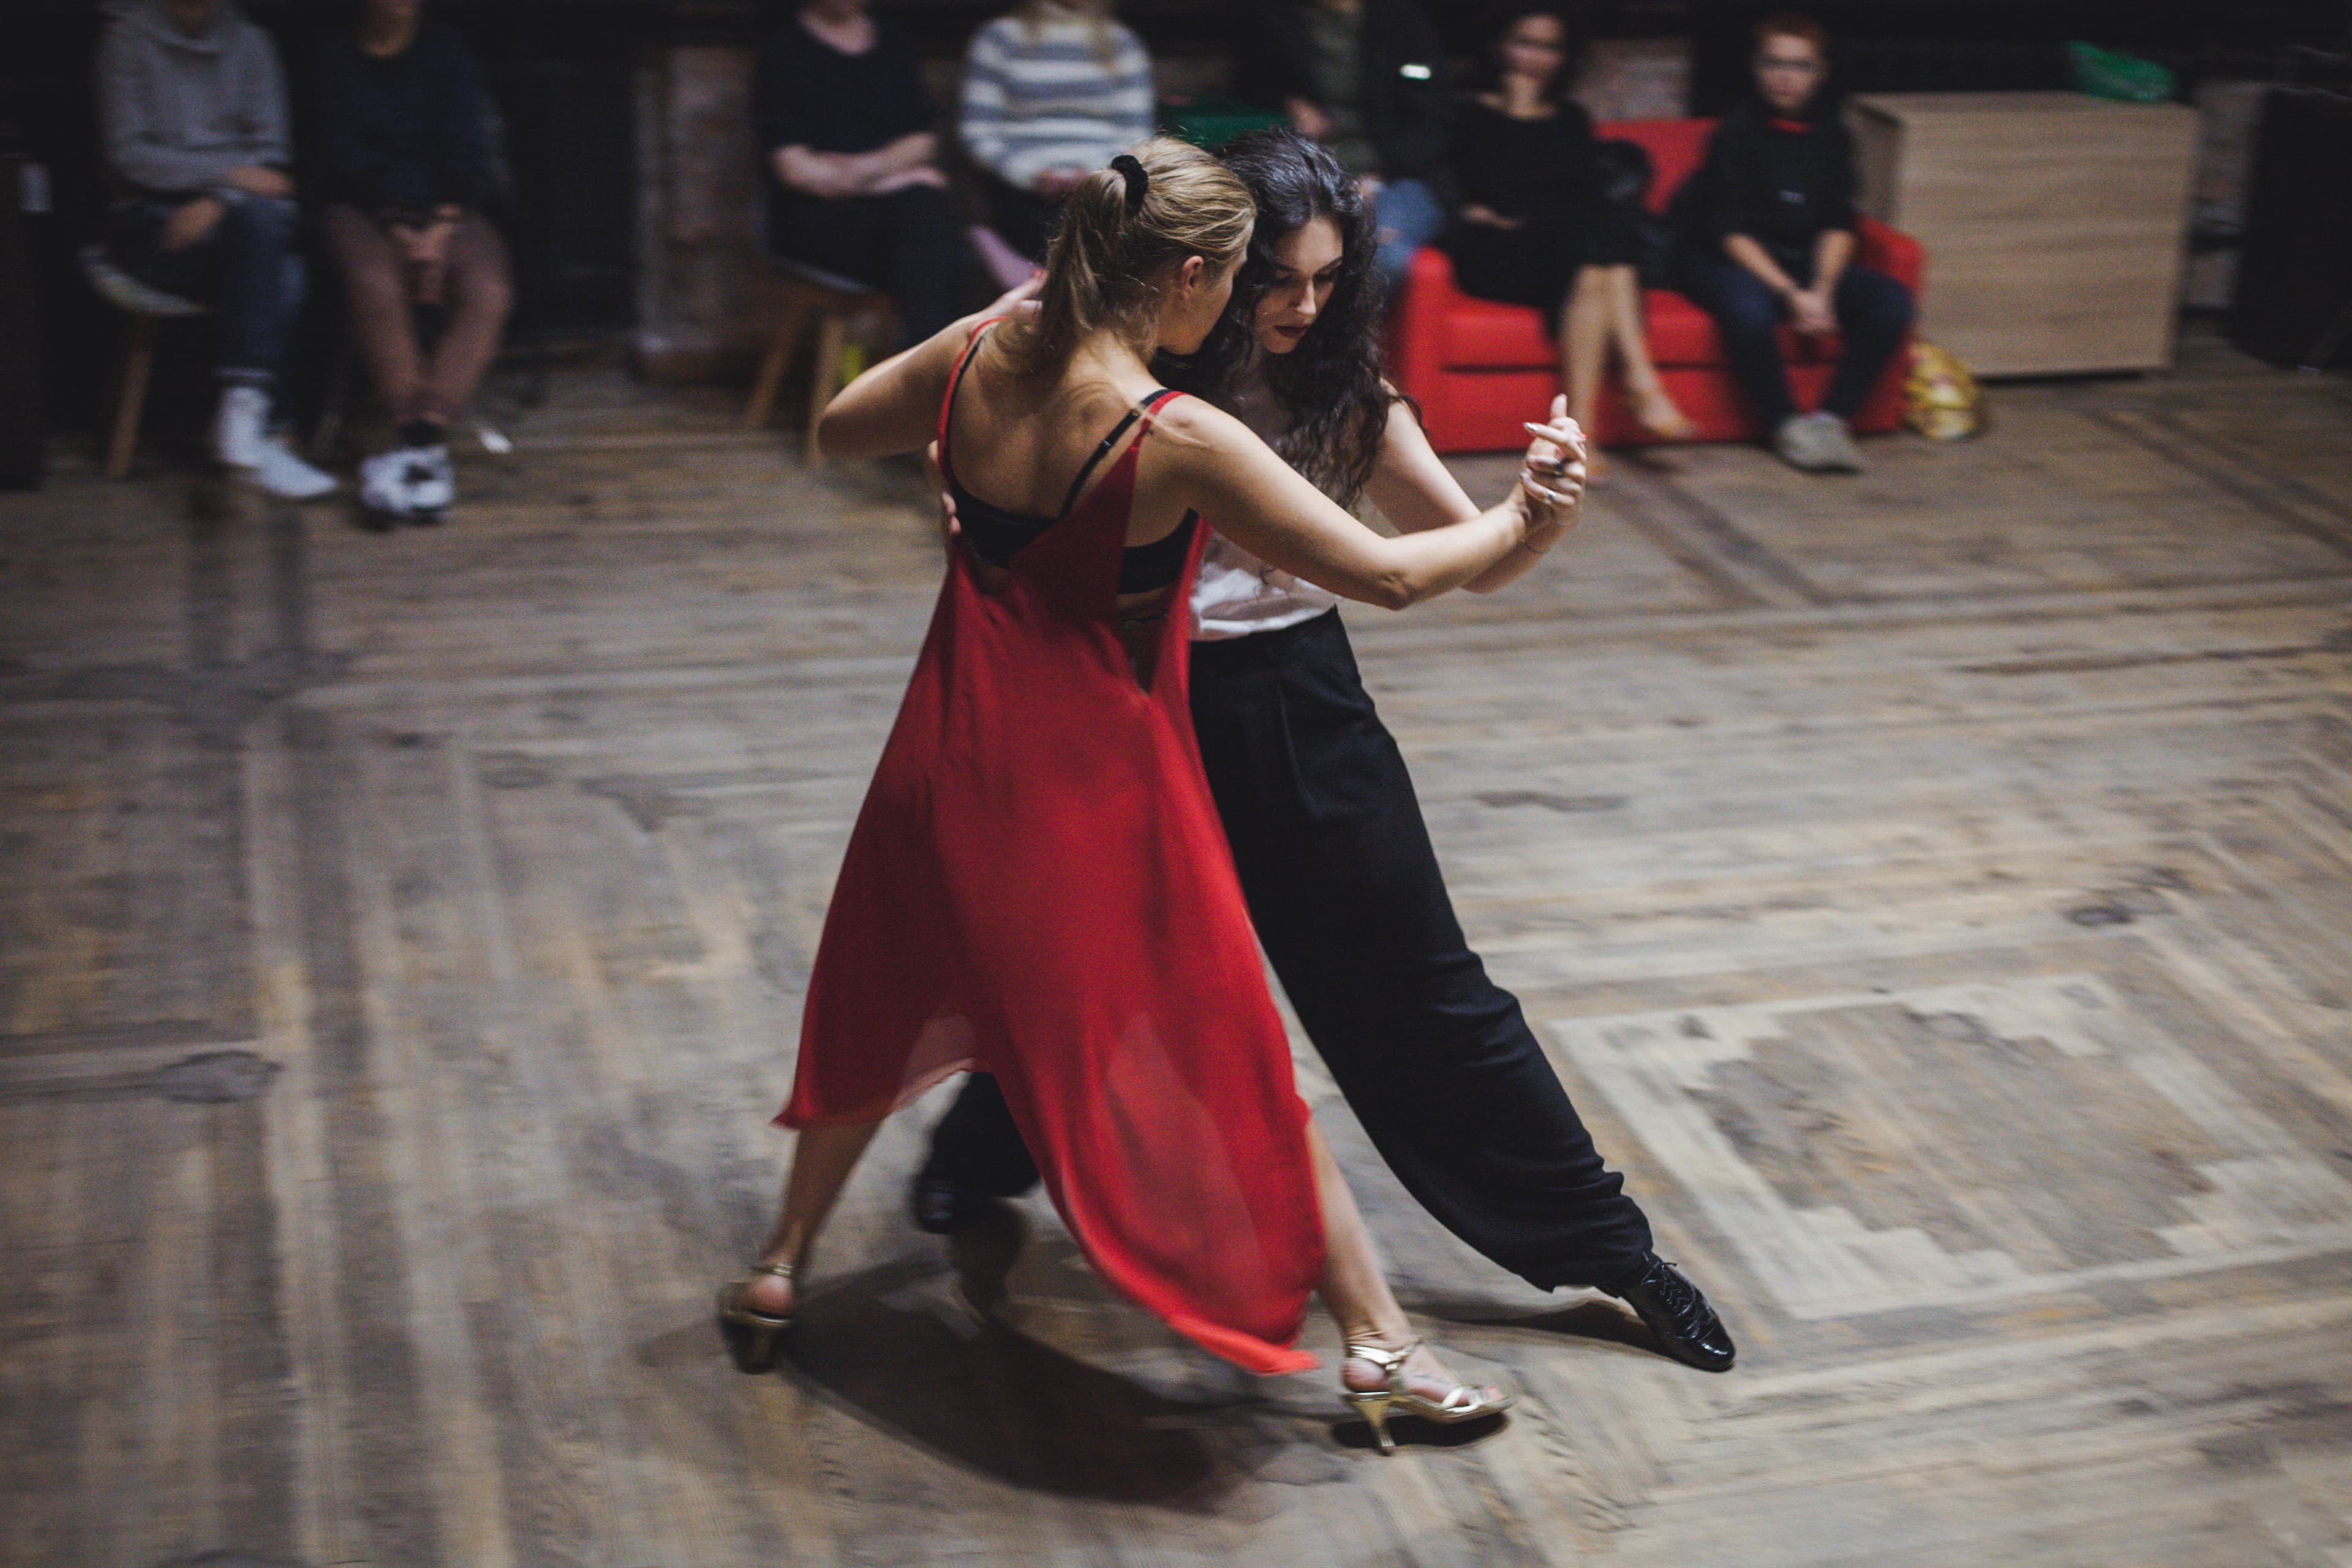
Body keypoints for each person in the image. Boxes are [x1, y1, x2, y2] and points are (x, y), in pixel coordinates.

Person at [716, 137, 1584, 1449]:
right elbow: (1394, 575)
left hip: (946, 749)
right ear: (1185, 277)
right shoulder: (1173, 435)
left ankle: (779, 1265)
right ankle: (1378, 1345)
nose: (1240, 309)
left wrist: (975, 378)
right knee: (1239, 1049)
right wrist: (1528, 515)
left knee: (880, 994)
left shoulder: (976, 356)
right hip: (1093, 783)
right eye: (1231, 282)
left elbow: (838, 431)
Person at [916, 129, 1736, 1374]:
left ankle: (1612, 1250)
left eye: (1326, 279)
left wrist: (1540, 517)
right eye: (1277, 279)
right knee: (1096, 970)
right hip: (1128, 701)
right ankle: (979, 1153)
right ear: (1212, 269)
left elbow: (1466, 558)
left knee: (1426, 990)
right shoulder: (1122, 372)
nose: (1302, 304)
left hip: (1294, 702)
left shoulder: (1346, 394)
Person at [96, 0, 337, 499]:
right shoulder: (125, 40)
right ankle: (267, 430)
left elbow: (272, 157)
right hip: (153, 217)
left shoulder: (252, 44)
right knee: (280, 273)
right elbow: (131, 155)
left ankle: (243, 408)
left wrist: (220, 201)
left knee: (270, 247)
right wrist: (228, 179)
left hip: (242, 217)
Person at [1444, 9, 1695, 480]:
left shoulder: (1570, 119)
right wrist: (1517, 114)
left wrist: (1535, 210)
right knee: (1601, 251)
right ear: (1501, 46)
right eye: (1526, 43)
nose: (1536, 58)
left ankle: (1581, 439)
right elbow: (1500, 192)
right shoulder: (1471, 114)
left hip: (1560, 252)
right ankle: (1639, 385)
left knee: (1596, 262)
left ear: (1563, 57)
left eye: (1549, 47)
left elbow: (1579, 198)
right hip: (1495, 254)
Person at [1673, 11, 1913, 474]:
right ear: (1755, 67)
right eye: (1774, 63)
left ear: (1820, 72)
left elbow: (1839, 223)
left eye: (1799, 66)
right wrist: (1790, 294)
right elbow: (1729, 232)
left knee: (1890, 300)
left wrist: (1822, 290)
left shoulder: (1834, 134)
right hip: (1731, 260)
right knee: (1748, 309)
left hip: (1802, 259)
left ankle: (1830, 421)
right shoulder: (1735, 133)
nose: (1785, 76)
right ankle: (1785, 424)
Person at [311, 0, 513, 526]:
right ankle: (416, 443)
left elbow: (468, 147)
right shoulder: (335, 55)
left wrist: (441, 226)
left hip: (447, 209)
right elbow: (340, 154)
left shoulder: (447, 50)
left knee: (488, 290)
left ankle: (423, 444)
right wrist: (398, 223)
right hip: (362, 208)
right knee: (376, 283)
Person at [755, 0, 967, 346]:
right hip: (815, 221)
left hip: (897, 218)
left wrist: (867, 169)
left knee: (930, 226)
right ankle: (934, 375)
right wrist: (891, 178)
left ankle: (923, 374)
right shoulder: (785, 51)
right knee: (929, 233)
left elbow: (922, 142)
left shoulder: (893, 42)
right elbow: (794, 169)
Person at [1247, 0, 1451, 300]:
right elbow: (1250, 86)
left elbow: (1433, 118)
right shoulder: (1280, 17)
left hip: (1396, 176)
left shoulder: (1400, 19)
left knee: (1382, 258)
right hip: (1312, 173)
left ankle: (1352, 345)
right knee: (1277, 247)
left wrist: (1376, 178)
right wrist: (1288, 102)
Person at [959, 0, 1156, 264]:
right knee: (1057, 228)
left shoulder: (1122, 42)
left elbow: (1138, 132)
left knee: (1103, 221)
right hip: (1020, 188)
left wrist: (1097, 174)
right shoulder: (999, 38)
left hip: (1104, 184)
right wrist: (1030, 176)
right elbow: (978, 130)